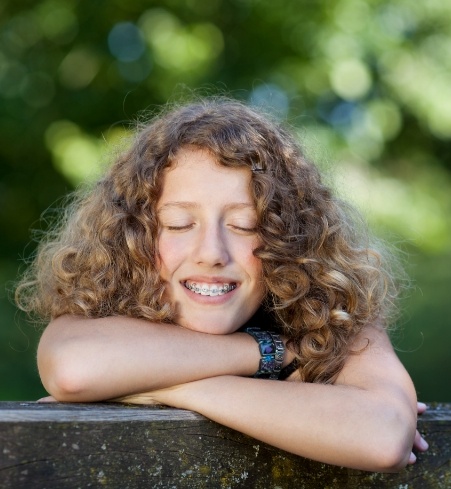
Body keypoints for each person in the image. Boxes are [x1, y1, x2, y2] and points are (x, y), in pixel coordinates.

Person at [16, 98, 428, 472]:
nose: (212, 252)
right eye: (179, 224)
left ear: (291, 240)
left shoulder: (333, 321)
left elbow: (383, 436)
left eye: (243, 225)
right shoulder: (102, 320)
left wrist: (161, 387)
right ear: (133, 237)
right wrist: (272, 352)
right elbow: (72, 369)